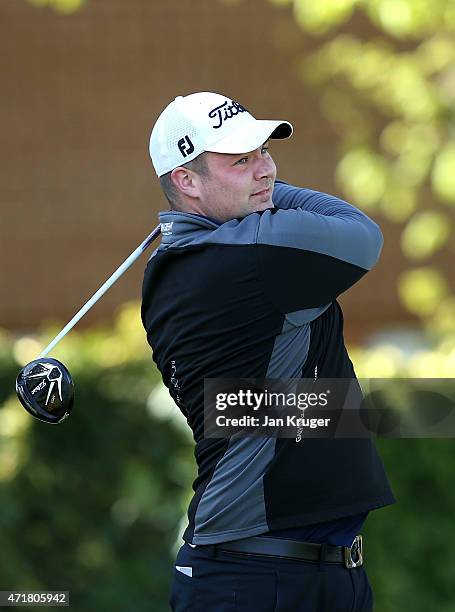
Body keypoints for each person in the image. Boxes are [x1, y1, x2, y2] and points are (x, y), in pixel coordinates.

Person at [141, 91, 395, 612]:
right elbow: (362, 234)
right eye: (240, 160)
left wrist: (246, 186)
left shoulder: (184, 263)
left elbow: (276, 408)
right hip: (256, 579)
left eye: (263, 153)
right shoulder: (249, 255)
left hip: (291, 568)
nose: (265, 169)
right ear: (186, 181)